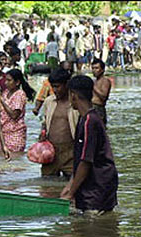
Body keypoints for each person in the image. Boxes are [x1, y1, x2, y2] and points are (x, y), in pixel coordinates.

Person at [60, 75, 118, 214]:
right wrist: (70, 186)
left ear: (73, 95)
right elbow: (81, 159)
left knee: (94, 225)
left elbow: (86, 161)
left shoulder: (89, 122)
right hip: (95, 185)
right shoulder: (85, 118)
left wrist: (70, 192)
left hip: (97, 187)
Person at [41, 68, 79, 178]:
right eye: (53, 87)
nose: (55, 90)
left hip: (70, 151)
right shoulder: (49, 102)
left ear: (66, 84)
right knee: (47, 184)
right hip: (50, 151)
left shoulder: (75, 104)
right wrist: (42, 132)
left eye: (58, 86)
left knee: (72, 181)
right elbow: (45, 121)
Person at [0, 69, 35, 155]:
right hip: (3, 133)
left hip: (15, 134)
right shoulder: (6, 93)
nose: (6, 83)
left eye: (9, 80)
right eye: (6, 80)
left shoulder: (20, 94)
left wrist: (2, 101)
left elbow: (14, 115)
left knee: (14, 161)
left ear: (17, 82)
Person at [91, 59, 112, 126]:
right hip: (91, 108)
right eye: (93, 68)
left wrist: (93, 87)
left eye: (96, 68)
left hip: (99, 109)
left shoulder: (105, 81)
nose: (94, 70)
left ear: (102, 70)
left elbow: (104, 96)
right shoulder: (94, 81)